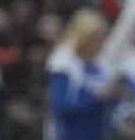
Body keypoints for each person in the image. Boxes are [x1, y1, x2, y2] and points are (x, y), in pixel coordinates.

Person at [45, 10, 128, 140]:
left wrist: (118, 93)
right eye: (95, 38)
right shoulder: (63, 63)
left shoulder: (101, 65)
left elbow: (112, 102)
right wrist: (97, 98)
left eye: (102, 38)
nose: (99, 43)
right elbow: (61, 107)